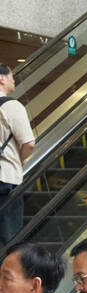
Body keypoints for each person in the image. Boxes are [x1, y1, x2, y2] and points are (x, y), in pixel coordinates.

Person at [0, 64, 35, 246]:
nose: (13, 80)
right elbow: (28, 143)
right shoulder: (11, 106)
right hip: (5, 179)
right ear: (2, 78)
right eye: (11, 75)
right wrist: (20, 160)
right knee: (9, 236)